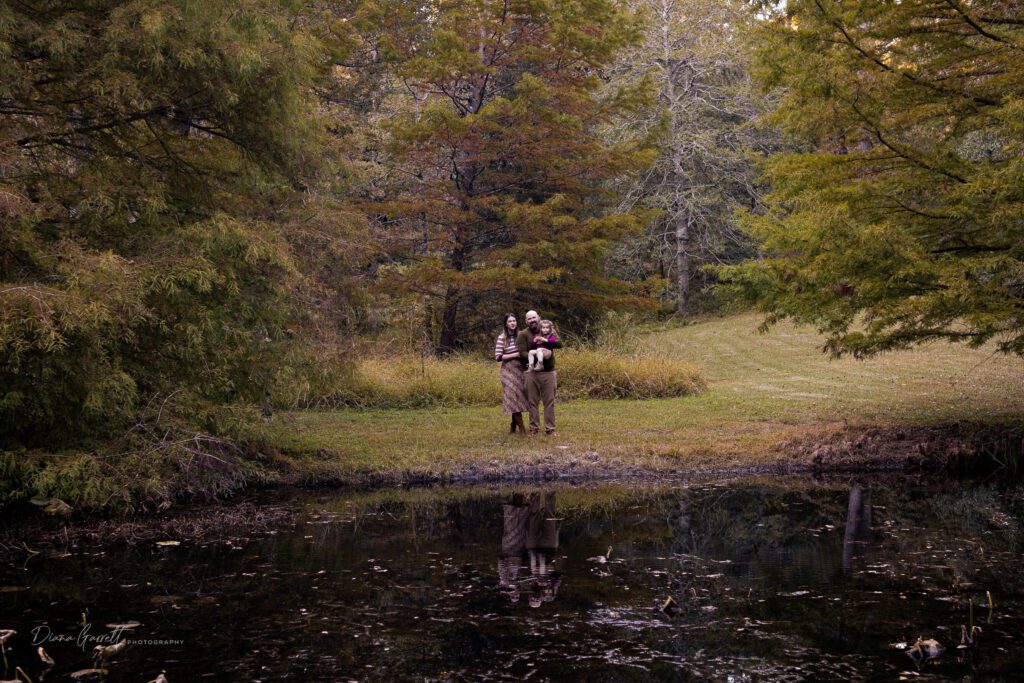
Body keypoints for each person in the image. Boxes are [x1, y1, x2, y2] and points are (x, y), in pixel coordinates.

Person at [516, 310, 562, 435]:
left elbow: (559, 343)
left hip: (548, 371)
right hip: (531, 373)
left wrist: (547, 346)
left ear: (538, 318)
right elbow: (521, 353)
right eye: (529, 319)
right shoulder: (523, 334)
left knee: (549, 401)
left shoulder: (548, 328)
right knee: (532, 402)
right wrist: (537, 355)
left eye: (534, 317)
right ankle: (534, 429)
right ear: (526, 321)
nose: (532, 320)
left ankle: (550, 429)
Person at [495, 312, 529, 434]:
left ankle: (513, 424)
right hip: (508, 370)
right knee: (512, 396)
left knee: (518, 397)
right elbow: (498, 357)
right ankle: (522, 428)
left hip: (520, 369)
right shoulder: (502, 338)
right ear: (506, 324)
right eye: (509, 321)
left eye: (514, 321)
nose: (512, 323)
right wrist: (516, 354)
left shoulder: (521, 335)